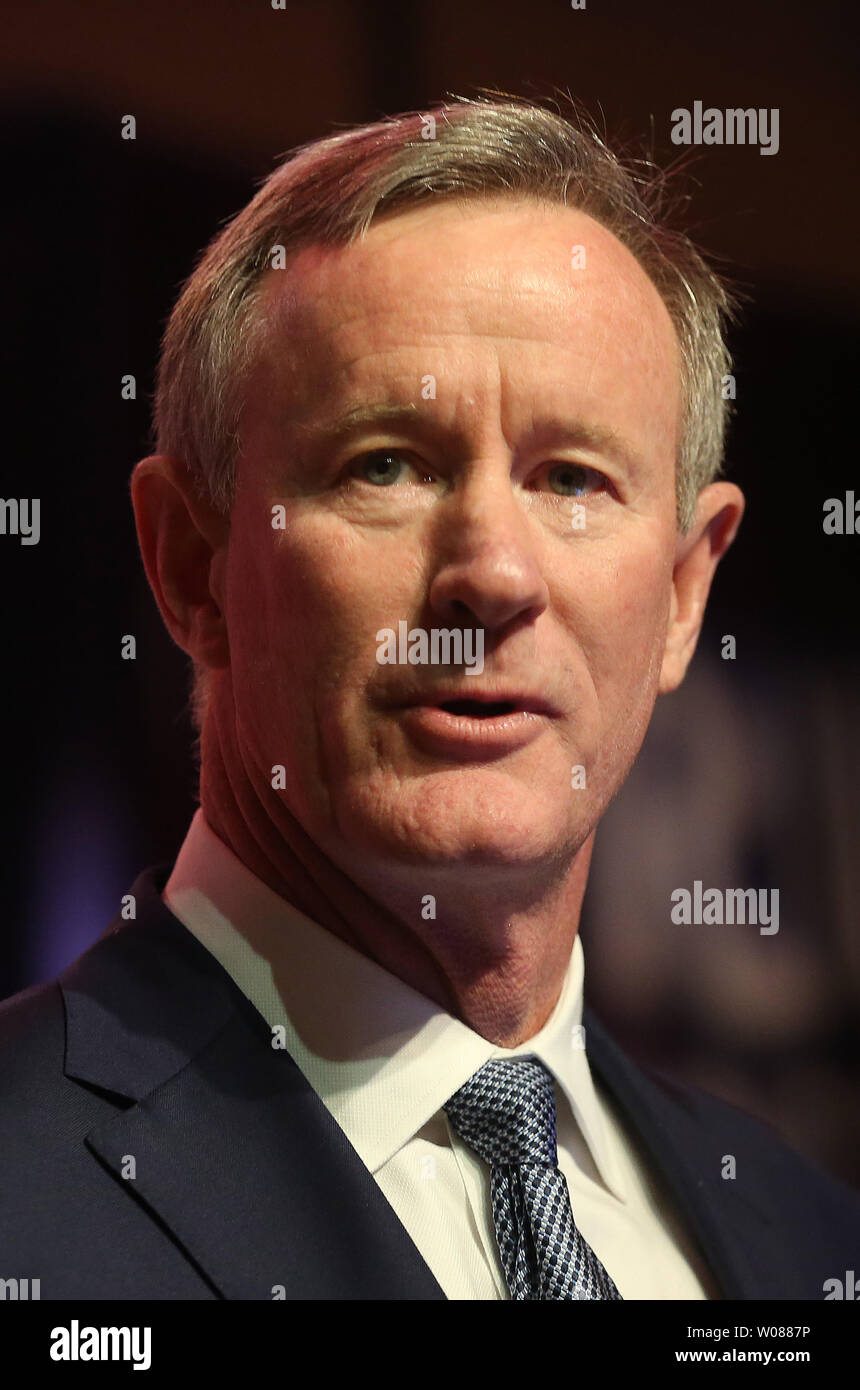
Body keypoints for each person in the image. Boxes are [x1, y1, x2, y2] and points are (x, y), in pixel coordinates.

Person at [2, 95, 857, 1301]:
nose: (494, 576)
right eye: (387, 465)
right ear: (193, 567)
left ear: (680, 593)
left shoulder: (808, 1242)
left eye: (570, 477)